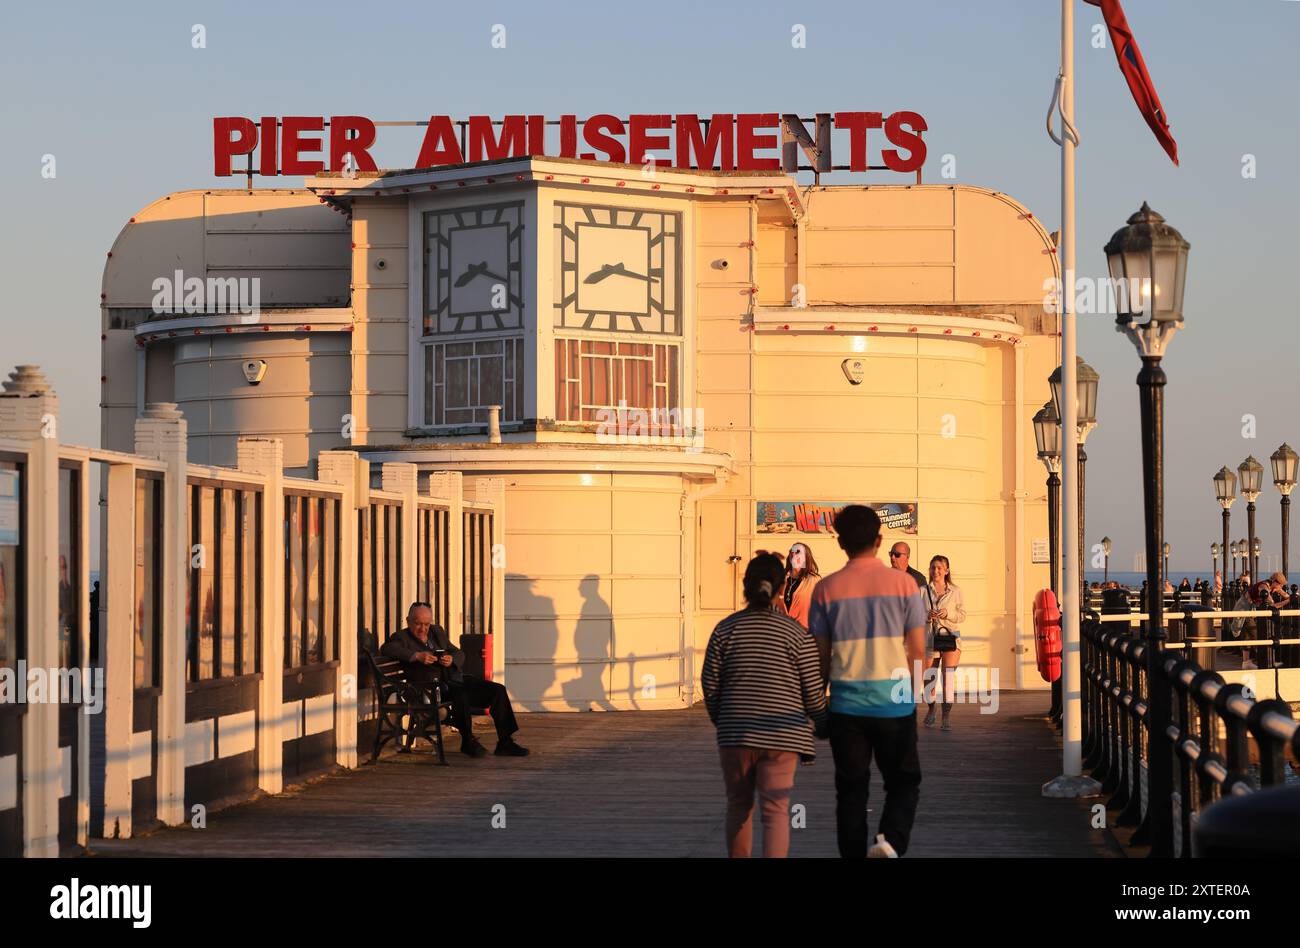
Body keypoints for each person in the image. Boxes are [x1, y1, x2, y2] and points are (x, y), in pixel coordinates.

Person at [809, 505, 926, 859]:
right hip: (894, 703)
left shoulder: (826, 589)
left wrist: (819, 708)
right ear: (879, 540)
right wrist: (912, 696)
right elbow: (917, 651)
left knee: (851, 791)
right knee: (904, 781)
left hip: (846, 707)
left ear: (840, 541)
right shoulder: (904, 584)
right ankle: (889, 840)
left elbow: (821, 659)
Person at [702, 553, 828, 858]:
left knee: (738, 806)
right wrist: (822, 722)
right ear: (780, 585)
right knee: (776, 811)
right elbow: (813, 692)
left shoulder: (725, 630)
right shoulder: (797, 635)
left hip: (736, 736)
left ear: (745, 586)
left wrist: (726, 720)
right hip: (783, 735)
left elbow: (710, 685)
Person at [381, 601, 528, 757]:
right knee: (461, 694)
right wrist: (417, 656)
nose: (423, 629)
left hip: (454, 679)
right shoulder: (401, 637)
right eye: (418, 624)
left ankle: (505, 742)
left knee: (498, 690)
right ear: (408, 621)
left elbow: (459, 653)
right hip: (430, 688)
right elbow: (387, 648)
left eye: (426, 624)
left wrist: (452, 659)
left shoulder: (436, 632)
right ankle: (467, 741)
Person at [922, 555, 966, 730]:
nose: (936, 571)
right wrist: (927, 616)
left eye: (940, 567)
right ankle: (932, 709)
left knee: (948, 677)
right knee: (929, 679)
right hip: (930, 639)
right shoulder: (922, 591)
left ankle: (946, 717)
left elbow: (962, 615)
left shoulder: (956, 591)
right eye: (933, 567)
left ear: (947, 570)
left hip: (950, 638)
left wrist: (948, 614)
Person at [774, 542, 820, 629]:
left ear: (806, 557)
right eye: (792, 551)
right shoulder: (780, 576)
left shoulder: (814, 580)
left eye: (798, 551)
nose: (793, 554)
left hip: (803, 631)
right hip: (780, 629)